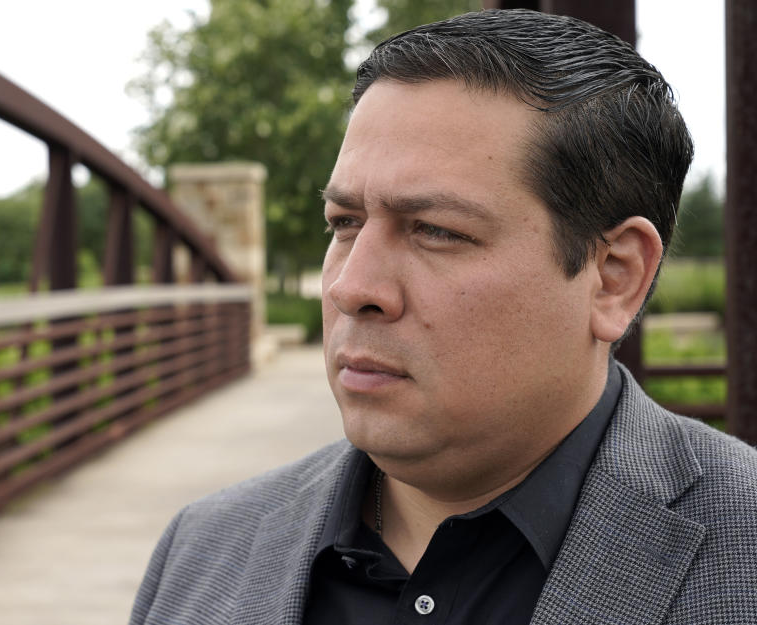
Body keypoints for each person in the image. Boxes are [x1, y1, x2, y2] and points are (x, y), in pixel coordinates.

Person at [130, 9, 757, 624]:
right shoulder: (203, 549)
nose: (352, 288)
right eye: (345, 223)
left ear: (614, 277)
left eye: (435, 231)